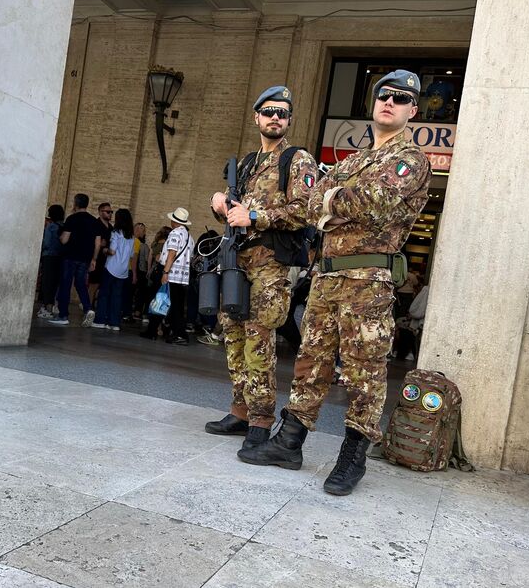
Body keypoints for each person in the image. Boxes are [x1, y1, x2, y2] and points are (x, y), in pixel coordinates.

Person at [239, 70, 432, 496]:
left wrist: (331, 200)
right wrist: (333, 201)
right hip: (327, 276)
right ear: (374, 102)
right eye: (384, 95)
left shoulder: (411, 160)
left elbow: (373, 202)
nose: (390, 102)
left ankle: (353, 455)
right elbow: (309, 204)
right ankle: (289, 443)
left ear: (412, 111)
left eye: (401, 99)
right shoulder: (354, 159)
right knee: (311, 362)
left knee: (364, 371)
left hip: (368, 279)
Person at [203, 85, 317, 451]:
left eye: (281, 113)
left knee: (259, 342)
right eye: (268, 112)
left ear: (288, 121)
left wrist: (254, 216)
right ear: (257, 117)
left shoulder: (297, 161)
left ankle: (261, 418)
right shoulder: (248, 164)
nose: (274, 118)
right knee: (233, 338)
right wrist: (219, 203)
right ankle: (239, 410)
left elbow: (306, 211)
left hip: (270, 266)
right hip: (235, 262)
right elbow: (230, 212)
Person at [141, 208, 193, 345]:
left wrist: (165, 272)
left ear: (174, 221)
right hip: (181, 276)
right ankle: (154, 330)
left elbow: (172, 254)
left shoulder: (175, 234)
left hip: (170, 274)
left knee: (160, 301)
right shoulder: (189, 237)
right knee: (174, 305)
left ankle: (179, 334)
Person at [49, 193, 101, 327]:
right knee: (80, 284)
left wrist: (59, 236)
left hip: (70, 256)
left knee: (66, 284)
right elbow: (98, 243)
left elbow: (64, 239)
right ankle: (88, 308)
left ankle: (63, 315)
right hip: (85, 258)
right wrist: (94, 259)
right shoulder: (94, 221)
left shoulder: (72, 219)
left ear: (76, 203)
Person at [93, 208, 135, 331]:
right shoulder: (131, 237)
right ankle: (114, 323)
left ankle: (100, 320)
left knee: (104, 294)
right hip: (123, 270)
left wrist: (104, 249)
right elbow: (132, 255)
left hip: (111, 267)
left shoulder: (116, 233)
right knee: (117, 297)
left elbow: (112, 251)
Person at [37, 204, 65, 319]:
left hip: (49, 256)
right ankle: (52, 306)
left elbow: (46, 243)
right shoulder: (63, 226)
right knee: (55, 283)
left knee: (46, 282)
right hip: (60, 258)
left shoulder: (51, 227)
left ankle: (44, 308)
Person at [87, 202, 113, 307]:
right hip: (96, 259)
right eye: (108, 212)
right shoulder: (95, 224)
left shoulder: (111, 227)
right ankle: (87, 306)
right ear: (100, 212)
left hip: (107, 261)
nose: (110, 214)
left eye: (111, 212)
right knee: (94, 284)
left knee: (102, 284)